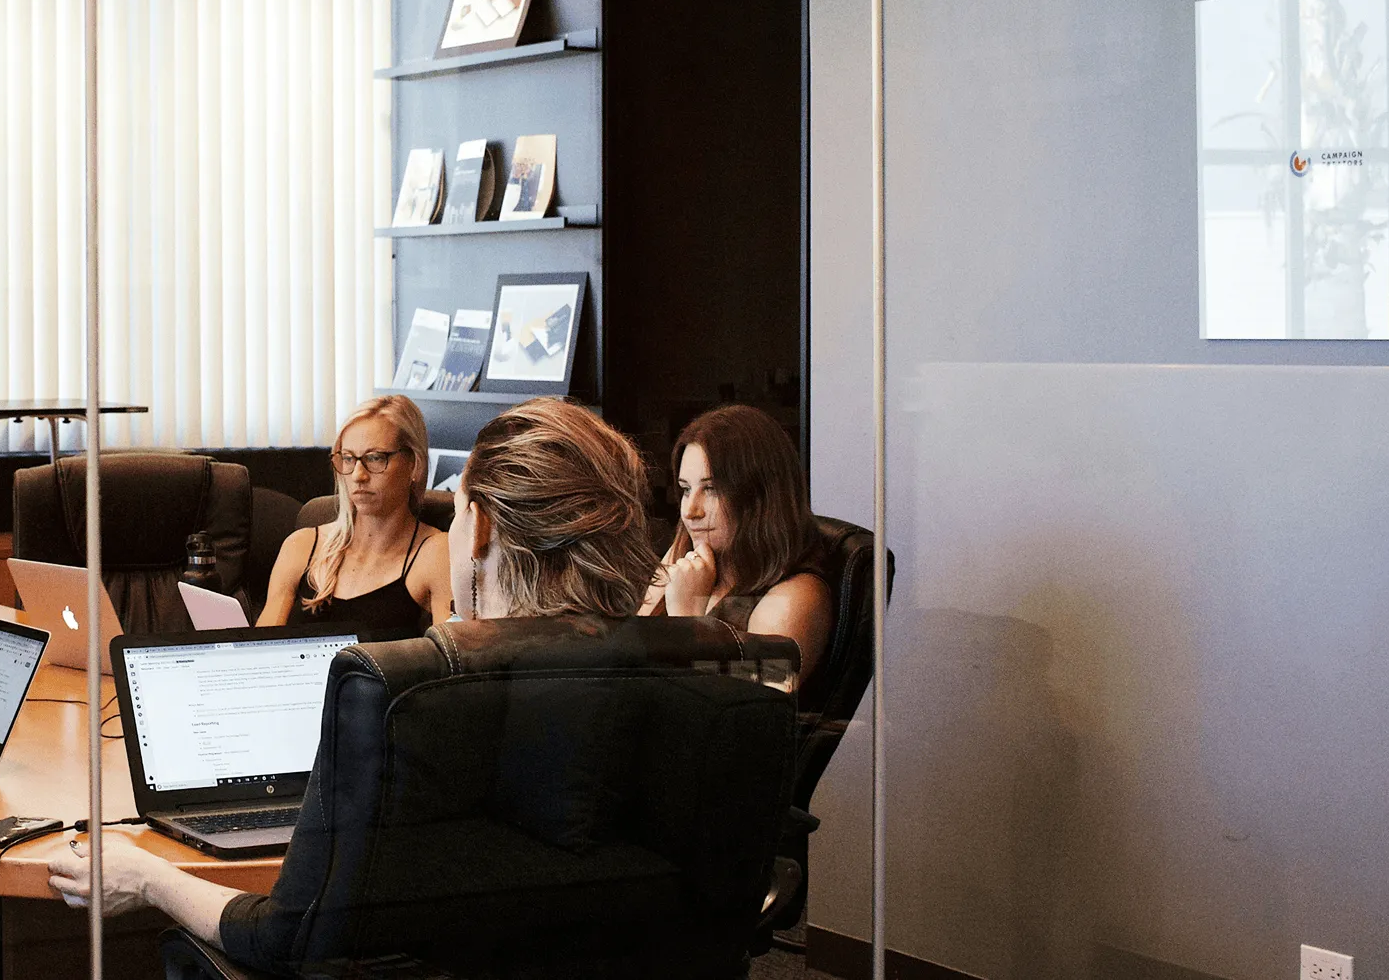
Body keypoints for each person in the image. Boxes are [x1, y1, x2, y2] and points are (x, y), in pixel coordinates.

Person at [53, 397, 658, 954]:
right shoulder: (696, 681)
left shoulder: (405, 705)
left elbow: (288, 933)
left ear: (476, 531)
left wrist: (150, 879)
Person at [638, 404, 833, 679]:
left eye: (711, 489)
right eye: (685, 490)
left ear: (759, 496)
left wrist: (687, 620)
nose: (690, 511)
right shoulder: (687, 556)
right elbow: (628, 660)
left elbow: (744, 711)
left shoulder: (796, 597)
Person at [256, 395, 452, 639]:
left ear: (414, 465)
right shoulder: (302, 546)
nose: (358, 475)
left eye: (375, 458)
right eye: (348, 459)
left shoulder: (436, 553)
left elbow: (453, 663)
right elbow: (260, 652)